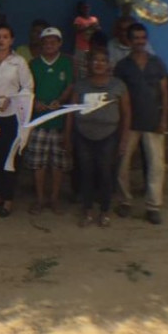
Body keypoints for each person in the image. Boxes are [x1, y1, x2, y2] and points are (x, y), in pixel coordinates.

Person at [114, 23, 168, 225]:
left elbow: (164, 93)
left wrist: (164, 119)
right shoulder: (123, 66)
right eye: (135, 38)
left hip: (153, 121)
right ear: (129, 41)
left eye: (142, 37)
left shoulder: (157, 63)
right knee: (122, 164)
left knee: (156, 165)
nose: (139, 41)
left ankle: (153, 206)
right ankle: (125, 201)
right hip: (129, 123)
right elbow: (118, 95)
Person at [72, 45, 131, 228]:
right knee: (86, 173)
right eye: (95, 60)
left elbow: (126, 113)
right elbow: (71, 112)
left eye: (103, 61)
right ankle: (88, 211)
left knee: (106, 173)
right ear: (89, 64)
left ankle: (105, 211)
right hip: (83, 135)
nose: (99, 64)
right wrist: (67, 135)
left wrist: (123, 139)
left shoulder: (117, 86)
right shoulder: (81, 85)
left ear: (109, 64)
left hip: (109, 136)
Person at [0, 23, 33, 217]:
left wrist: (12, 99)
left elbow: (28, 88)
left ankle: (8, 199)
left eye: (5, 37)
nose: (1, 40)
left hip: (10, 116)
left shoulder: (19, 62)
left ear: (12, 40)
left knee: (8, 158)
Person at [27, 27, 74, 215]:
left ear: (60, 43)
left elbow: (70, 85)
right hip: (38, 121)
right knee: (38, 163)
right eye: (45, 42)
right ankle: (39, 199)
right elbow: (28, 88)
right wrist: (34, 101)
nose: (49, 45)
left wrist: (61, 100)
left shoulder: (66, 62)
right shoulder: (33, 64)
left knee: (57, 164)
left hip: (59, 121)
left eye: (53, 42)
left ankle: (54, 199)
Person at [72, 1, 101, 65]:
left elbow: (99, 30)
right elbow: (76, 30)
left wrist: (96, 28)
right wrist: (89, 27)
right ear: (80, 9)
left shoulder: (94, 19)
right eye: (84, 8)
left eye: (87, 7)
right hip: (81, 48)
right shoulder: (78, 19)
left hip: (92, 47)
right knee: (80, 66)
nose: (86, 9)